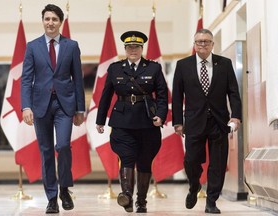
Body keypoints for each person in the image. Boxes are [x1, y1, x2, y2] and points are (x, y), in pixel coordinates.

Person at [21, 4, 85, 214]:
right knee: (46, 152)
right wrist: (26, 106)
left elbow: (78, 78)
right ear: (43, 21)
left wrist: (80, 109)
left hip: (64, 104)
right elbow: (26, 79)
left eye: (54, 19)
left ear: (61, 22)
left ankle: (64, 188)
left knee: (63, 146)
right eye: (47, 19)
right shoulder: (32, 46)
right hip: (40, 106)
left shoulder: (71, 46)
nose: (50, 23)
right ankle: (51, 197)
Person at [96, 31, 168, 213]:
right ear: (125, 49)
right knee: (126, 158)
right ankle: (126, 195)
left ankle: (141, 201)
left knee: (144, 161)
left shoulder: (153, 68)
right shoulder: (115, 68)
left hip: (147, 121)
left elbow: (162, 95)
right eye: (129, 47)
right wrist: (100, 120)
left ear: (142, 48)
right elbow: (105, 96)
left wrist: (161, 115)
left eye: (136, 47)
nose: (133, 50)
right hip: (122, 121)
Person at [172, 29, 242, 214]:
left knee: (218, 164)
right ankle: (194, 186)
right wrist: (177, 122)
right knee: (191, 160)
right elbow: (177, 97)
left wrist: (236, 116)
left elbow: (233, 92)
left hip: (219, 122)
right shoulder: (183, 65)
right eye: (199, 41)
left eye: (206, 41)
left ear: (212, 44)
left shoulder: (224, 64)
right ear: (194, 44)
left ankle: (211, 201)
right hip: (193, 122)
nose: (202, 44)